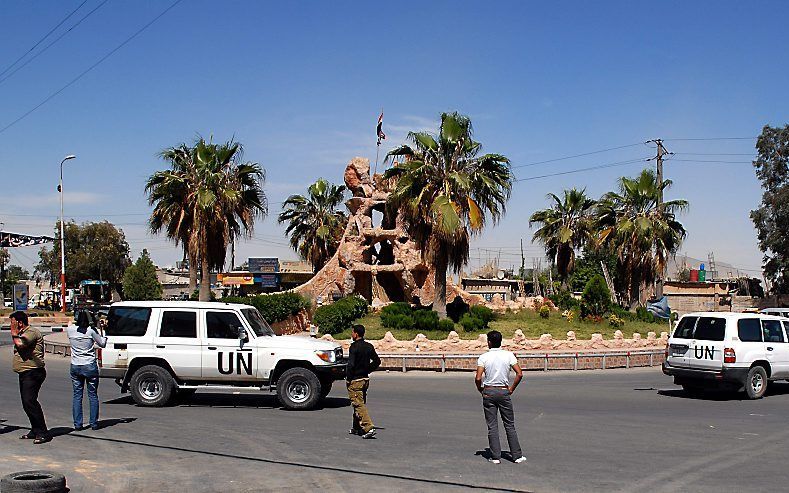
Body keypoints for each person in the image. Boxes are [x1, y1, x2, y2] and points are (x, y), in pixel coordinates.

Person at [475, 330, 526, 464]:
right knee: (509, 424)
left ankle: (495, 456)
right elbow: (519, 374)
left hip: (489, 391)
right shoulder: (509, 355)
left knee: (492, 425)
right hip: (503, 391)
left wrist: (480, 389)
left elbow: (478, 377)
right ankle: (516, 455)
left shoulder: (484, 357)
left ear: (489, 342)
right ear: (500, 341)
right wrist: (511, 388)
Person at [9, 310, 50, 444]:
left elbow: (21, 344)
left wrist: (14, 333)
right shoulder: (22, 333)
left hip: (33, 372)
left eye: (13, 322)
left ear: (20, 322)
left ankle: (43, 432)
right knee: (26, 403)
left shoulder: (31, 332)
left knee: (30, 402)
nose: (11, 325)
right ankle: (35, 429)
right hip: (25, 373)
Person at [67, 310, 107, 430]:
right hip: (89, 365)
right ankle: (93, 423)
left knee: (77, 395)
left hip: (75, 365)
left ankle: (77, 424)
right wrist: (102, 330)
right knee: (92, 395)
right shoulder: (91, 331)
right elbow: (102, 343)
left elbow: (70, 323)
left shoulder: (70, 330)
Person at [346, 324, 380, 439]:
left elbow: (350, 365)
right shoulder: (369, 346)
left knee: (358, 404)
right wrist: (367, 370)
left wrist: (348, 378)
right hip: (365, 379)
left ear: (356, 334)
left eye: (352, 332)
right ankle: (356, 427)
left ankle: (368, 427)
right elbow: (377, 361)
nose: (351, 334)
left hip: (355, 380)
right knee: (359, 402)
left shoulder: (354, 347)